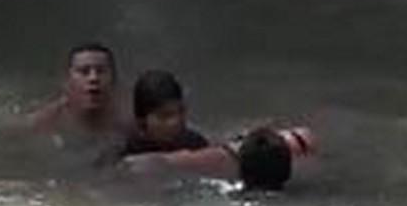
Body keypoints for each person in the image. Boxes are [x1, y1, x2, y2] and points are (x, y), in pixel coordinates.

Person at [114, 69, 316, 190]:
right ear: (142, 122)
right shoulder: (126, 149)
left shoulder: (194, 141)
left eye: (180, 112)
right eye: (165, 117)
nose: (176, 122)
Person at [29, 42, 128, 144]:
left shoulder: (127, 120)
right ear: (67, 81)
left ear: (113, 80)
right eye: (84, 71)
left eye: (101, 71)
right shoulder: (46, 120)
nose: (93, 78)